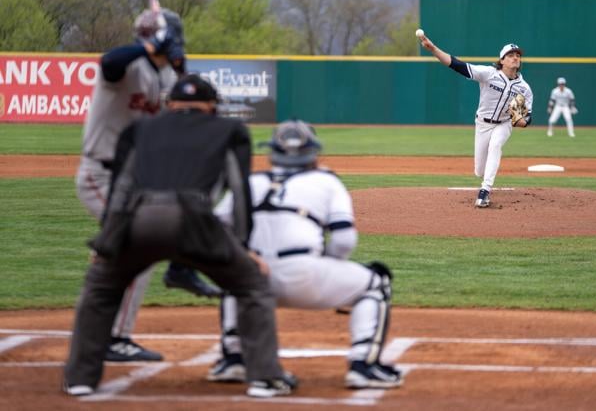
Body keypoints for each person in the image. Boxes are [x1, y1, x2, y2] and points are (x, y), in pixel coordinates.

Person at [63, 75, 294, 399]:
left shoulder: (139, 129)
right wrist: (244, 249)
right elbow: (240, 193)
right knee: (251, 284)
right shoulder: (229, 130)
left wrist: (107, 242)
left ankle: (79, 378)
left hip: (137, 218)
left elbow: (121, 190)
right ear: (212, 107)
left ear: (170, 105)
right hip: (194, 219)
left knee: (101, 287)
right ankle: (265, 378)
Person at [207, 119, 403, 390]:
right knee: (376, 282)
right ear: (313, 151)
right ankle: (363, 365)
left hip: (254, 281)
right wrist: (326, 265)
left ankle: (234, 358)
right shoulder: (326, 180)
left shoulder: (250, 181)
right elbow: (344, 240)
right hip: (306, 276)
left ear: (272, 150)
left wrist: (242, 258)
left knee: (234, 279)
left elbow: (212, 229)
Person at [74, 9, 220, 363]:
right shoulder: (126, 66)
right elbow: (110, 61)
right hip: (102, 174)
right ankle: (114, 338)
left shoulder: (168, 74)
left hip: (139, 179)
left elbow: (195, 104)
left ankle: (180, 267)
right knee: (137, 246)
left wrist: (182, 69)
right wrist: (149, 46)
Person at [419, 34, 533, 208]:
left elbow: (527, 118)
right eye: (510, 55)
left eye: (518, 55)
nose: (515, 58)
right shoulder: (489, 74)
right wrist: (433, 49)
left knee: (496, 145)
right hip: (482, 124)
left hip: (504, 123)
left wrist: (522, 122)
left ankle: (484, 192)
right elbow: (456, 65)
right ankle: (484, 178)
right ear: (501, 60)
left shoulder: (524, 88)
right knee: (479, 169)